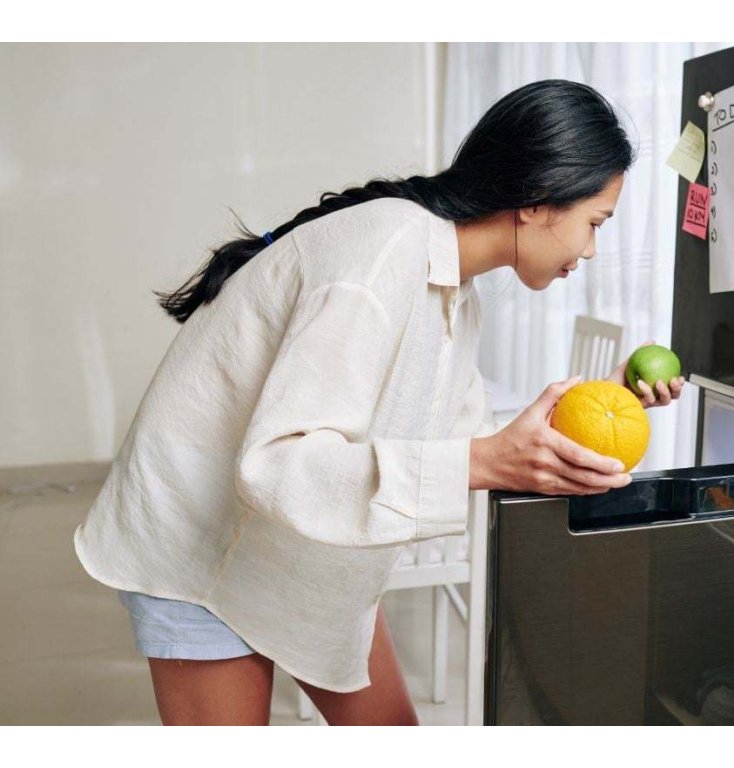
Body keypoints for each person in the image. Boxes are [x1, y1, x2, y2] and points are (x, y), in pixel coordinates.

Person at [72, 79, 685, 726]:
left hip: (296, 548)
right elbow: (280, 463)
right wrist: (483, 461)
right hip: (202, 547)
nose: (590, 250)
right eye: (594, 223)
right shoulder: (385, 252)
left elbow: (470, 440)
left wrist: (605, 404)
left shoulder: (455, 292)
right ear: (537, 201)